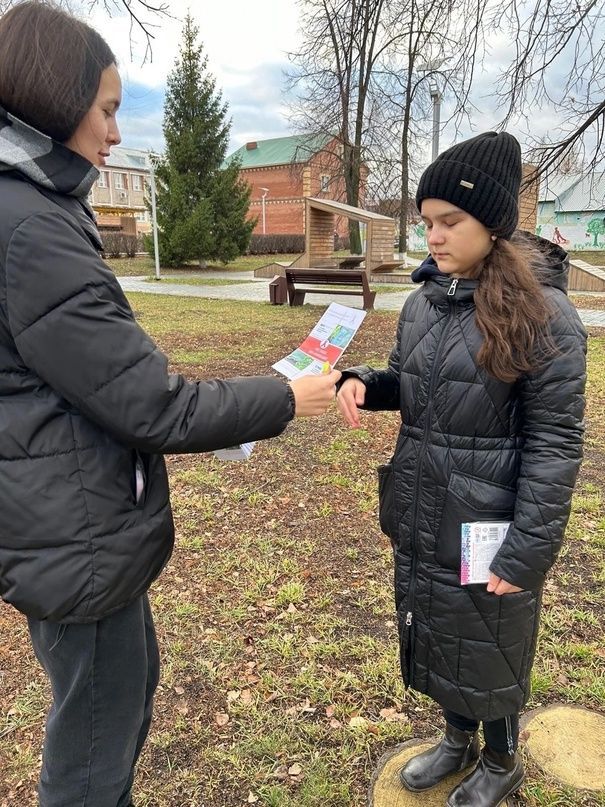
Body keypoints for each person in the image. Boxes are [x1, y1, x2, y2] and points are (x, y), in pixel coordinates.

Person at [0, 3, 341, 805]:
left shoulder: (32, 210)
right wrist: (284, 396)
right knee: (93, 751)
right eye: (108, 109)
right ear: (56, 98)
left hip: (62, 521)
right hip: (72, 539)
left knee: (117, 702)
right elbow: (152, 407)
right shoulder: (29, 229)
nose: (115, 135)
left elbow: (90, 371)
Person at [336, 131, 586, 807]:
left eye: (450, 222)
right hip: (425, 504)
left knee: (488, 639)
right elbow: (411, 380)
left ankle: (500, 759)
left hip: (491, 522)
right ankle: (456, 739)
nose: (434, 237)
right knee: (436, 625)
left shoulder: (545, 316)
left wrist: (526, 548)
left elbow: (555, 443)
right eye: (426, 223)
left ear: (493, 224)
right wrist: (366, 381)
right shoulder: (423, 303)